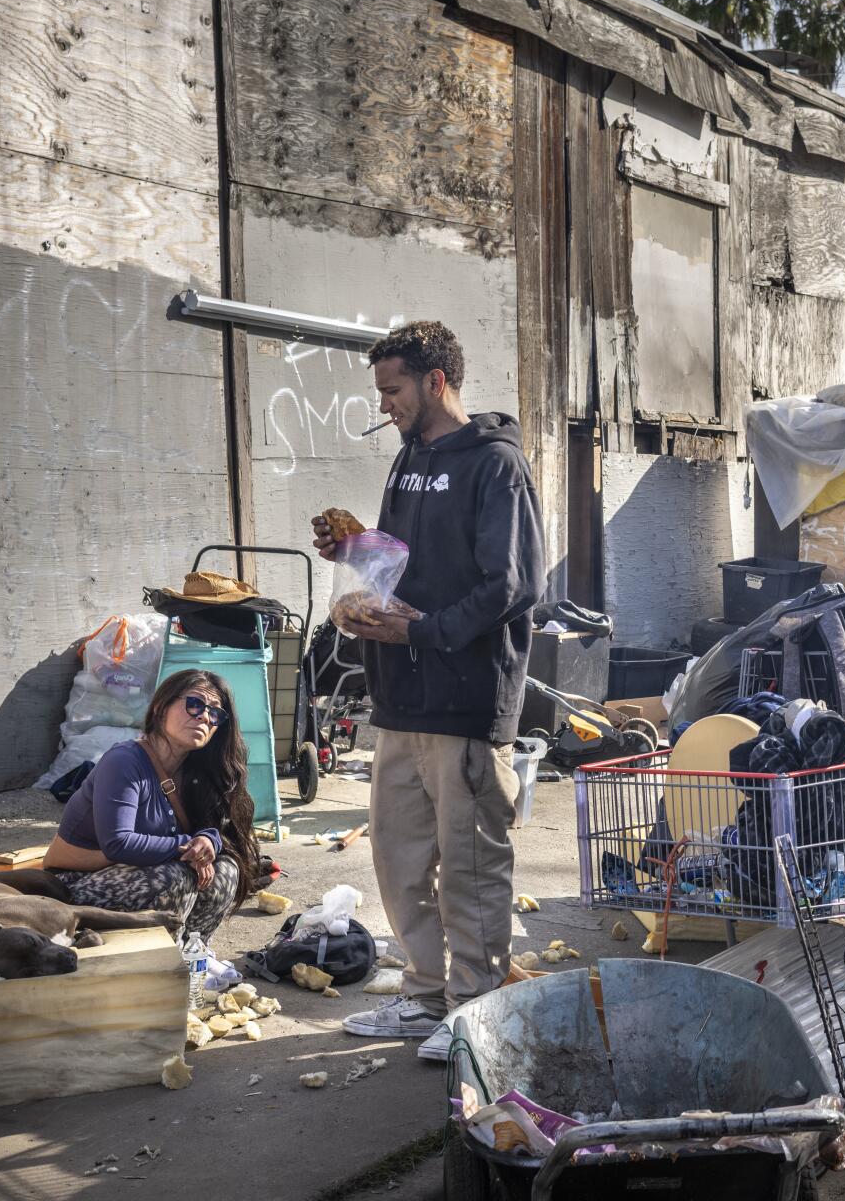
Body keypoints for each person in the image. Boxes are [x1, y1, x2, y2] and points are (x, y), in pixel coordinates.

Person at [311, 320, 543, 1061]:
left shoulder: (496, 464)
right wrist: (356, 550)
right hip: (400, 700)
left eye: (393, 389)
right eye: (381, 391)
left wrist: (422, 633)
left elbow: (513, 583)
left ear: (435, 382)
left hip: (467, 699)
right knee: (400, 859)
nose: (386, 405)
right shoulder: (410, 459)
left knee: (471, 865)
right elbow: (408, 564)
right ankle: (422, 997)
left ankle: (474, 1011)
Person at [43, 670, 258, 941]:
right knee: (176, 875)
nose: (204, 716)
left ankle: (191, 953)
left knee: (226, 869)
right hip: (75, 888)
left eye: (215, 713)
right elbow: (118, 843)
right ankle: (161, 959)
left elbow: (211, 829)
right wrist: (188, 846)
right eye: (195, 704)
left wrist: (206, 840)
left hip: (143, 875)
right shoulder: (124, 762)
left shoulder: (198, 772)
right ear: (160, 707)